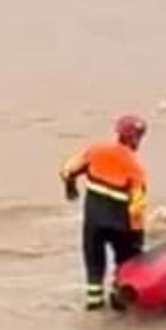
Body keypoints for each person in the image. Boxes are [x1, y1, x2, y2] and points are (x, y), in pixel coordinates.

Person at [60, 115, 149, 311]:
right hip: (121, 225)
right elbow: (137, 206)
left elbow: (67, 170)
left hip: (94, 222)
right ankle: (118, 302)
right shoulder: (135, 169)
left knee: (94, 267)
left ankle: (94, 307)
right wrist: (138, 237)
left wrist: (70, 186)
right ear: (136, 139)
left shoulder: (95, 151)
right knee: (125, 264)